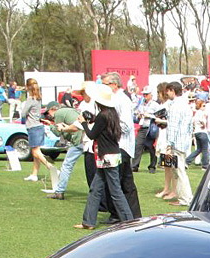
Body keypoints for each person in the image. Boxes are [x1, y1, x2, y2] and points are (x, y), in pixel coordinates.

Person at [76, 84, 133, 230]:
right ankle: (88, 221)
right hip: (110, 155)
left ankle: (129, 221)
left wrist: (83, 122)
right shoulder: (111, 113)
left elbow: (91, 134)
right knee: (96, 189)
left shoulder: (103, 116)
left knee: (115, 191)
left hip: (106, 156)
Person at [102, 71, 141, 221]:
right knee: (126, 182)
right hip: (122, 145)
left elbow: (126, 126)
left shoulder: (121, 100)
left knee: (116, 183)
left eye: (105, 84)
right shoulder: (117, 99)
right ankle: (133, 215)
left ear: (114, 84)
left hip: (121, 145)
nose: (103, 87)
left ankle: (118, 214)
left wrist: (108, 129)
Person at [46, 91, 85, 200]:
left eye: (49, 113)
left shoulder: (58, 114)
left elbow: (58, 132)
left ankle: (59, 191)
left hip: (78, 139)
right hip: (86, 138)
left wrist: (50, 125)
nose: (49, 116)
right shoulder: (68, 110)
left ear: (53, 109)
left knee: (67, 165)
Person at [19, 79, 58, 184]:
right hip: (39, 126)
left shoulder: (30, 99)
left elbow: (23, 114)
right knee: (36, 152)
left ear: (28, 87)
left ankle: (51, 167)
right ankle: (34, 174)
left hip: (33, 127)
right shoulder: (38, 98)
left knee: (35, 152)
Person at [163, 80, 194, 207]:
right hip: (183, 142)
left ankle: (185, 199)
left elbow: (173, 127)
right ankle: (185, 197)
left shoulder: (175, 106)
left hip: (177, 143)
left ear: (173, 91)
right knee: (178, 171)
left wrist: (169, 144)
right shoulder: (185, 105)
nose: (167, 93)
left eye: (168, 91)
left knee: (179, 172)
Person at [186, 98, 210, 168]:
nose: (204, 107)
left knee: (199, 149)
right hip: (202, 132)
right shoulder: (201, 113)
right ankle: (205, 165)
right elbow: (201, 120)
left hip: (197, 132)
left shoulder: (196, 113)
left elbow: (193, 121)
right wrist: (203, 124)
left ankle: (187, 161)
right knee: (205, 149)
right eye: (203, 106)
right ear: (200, 106)